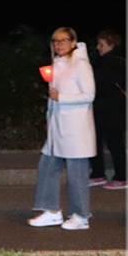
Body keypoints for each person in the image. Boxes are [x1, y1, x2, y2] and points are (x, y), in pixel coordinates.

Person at [28, 27, 96, 230]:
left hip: (75, 128)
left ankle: (80, 216)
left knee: (77, 173)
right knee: (47, 166)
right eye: (55, 41)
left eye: (64, 40)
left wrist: (61, 98)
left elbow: (89, 95)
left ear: (73, 42)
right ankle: (51, 211)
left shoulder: (81, 65)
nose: (59, 44)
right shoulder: (57, 63)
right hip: (57, 127)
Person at [89, 30, 126, 189]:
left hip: (112, 111)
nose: (98, 47)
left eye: (102, 44)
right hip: (102, 110)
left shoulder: (116, 63)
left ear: (111, 45)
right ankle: (98, 174)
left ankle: (122, 177)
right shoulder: (103, 62)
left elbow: (102, 85)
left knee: (114, 144)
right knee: (95, 142)